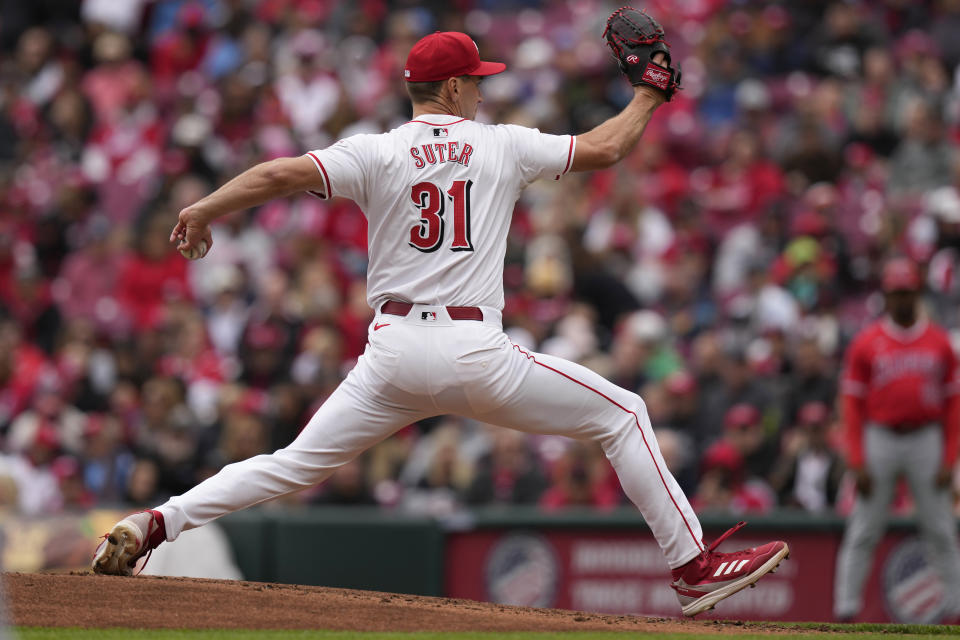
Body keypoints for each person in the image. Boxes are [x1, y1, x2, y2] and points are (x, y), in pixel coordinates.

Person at [93, 22, 787, 617]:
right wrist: (648, 95)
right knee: (625, 411)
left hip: (391, 352)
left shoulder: (377, 149)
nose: (482, 87)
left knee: (289, 465)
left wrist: (205, 208)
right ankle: (691, 567)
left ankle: (156, 522)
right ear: (453, 88)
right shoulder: (501, 143)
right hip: (470, 348)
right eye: (476, 78)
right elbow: (605, 148)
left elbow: (278, 175)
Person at [834, 257, 960, 622]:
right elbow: (852, 406)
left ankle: (956, 608)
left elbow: (953, 406)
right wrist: (856, 459)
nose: (901, 299)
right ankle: (846, 610)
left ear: (917, 292)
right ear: (886, 296)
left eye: (906, 292)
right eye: (895, 293)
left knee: (940, 528)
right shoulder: (866, 342)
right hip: (880, 438)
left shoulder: (939, 341)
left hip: (926, 437)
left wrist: (950, 458)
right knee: (863, 529)